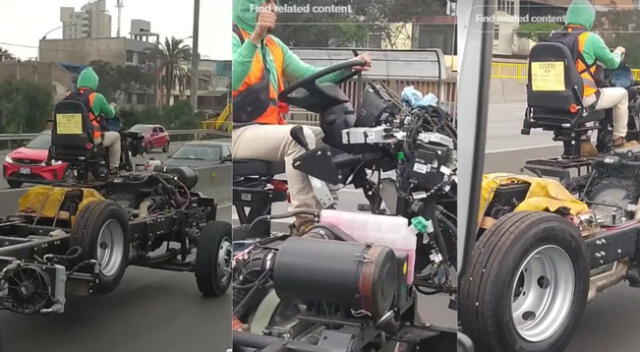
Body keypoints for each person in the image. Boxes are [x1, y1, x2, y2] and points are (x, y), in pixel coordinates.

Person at [232, 0, 372, 232]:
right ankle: (304, 219)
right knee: (298, 135)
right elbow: (233, 78)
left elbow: (308, 74)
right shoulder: (234, 38)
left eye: (273, 3)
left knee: (327, 135)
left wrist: (348, 67)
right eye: (265, 3)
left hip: (267, 130)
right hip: (237, 131)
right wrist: (254, 37)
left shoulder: (274, 46)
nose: (273, 8)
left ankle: (328, 212)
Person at [554, 0, 633, 156]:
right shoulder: (590, 38)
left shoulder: (554, 38)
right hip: (582, 99)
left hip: (554, 100)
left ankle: (584, 139)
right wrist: (618, 51)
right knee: (622, 95)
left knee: (594, 97)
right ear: (589, 19)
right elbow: (612, 63)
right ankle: (619, 139)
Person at [68, 67, 121, 173]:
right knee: (116, 137)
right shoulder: (97, 97)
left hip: (68, 140)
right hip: (90, 139)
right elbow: (110, 115)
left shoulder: (69, 96)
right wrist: (112, 107)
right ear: (94, 82)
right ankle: (114, 168)